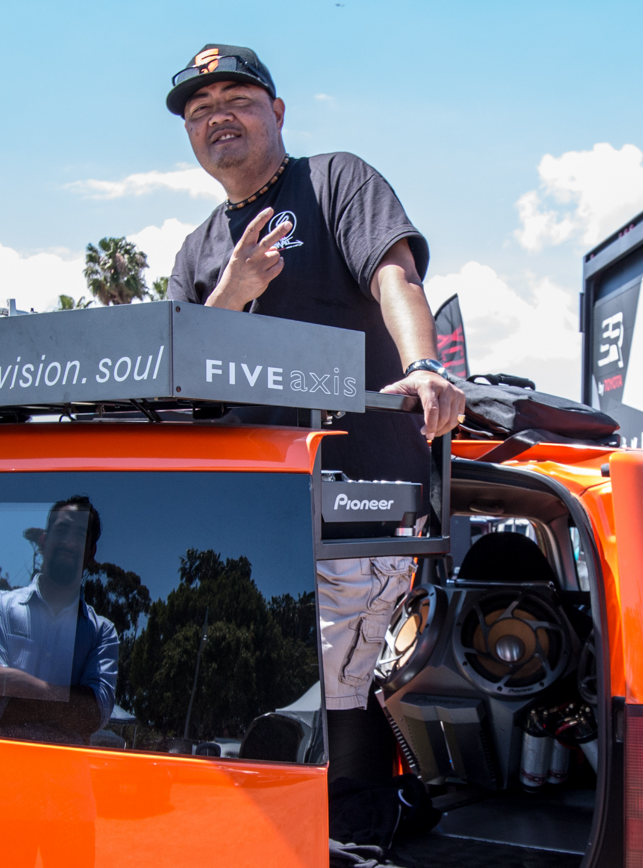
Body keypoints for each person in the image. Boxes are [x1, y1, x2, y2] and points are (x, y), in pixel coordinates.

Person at [162, 44, 465, 783]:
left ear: (278, 112)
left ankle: (357, 849)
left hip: (361, 509)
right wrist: (230, 292)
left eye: (234, 100)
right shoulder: (198, 249)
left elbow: (395, 274)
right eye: (199, 112)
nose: (216, 118)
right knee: (262, 698)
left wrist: (424, 363)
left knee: (343, 692)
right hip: (252, 522)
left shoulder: (335, 181)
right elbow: (177, 382)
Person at [0, 497, 119, 745]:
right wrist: (68, 704)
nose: (69, 542)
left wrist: (11, 681)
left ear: (91, 552)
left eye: (80, 535)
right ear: (43, 541)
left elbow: (93, 714)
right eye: (61, 530)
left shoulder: (102, 633)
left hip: (66, 778)